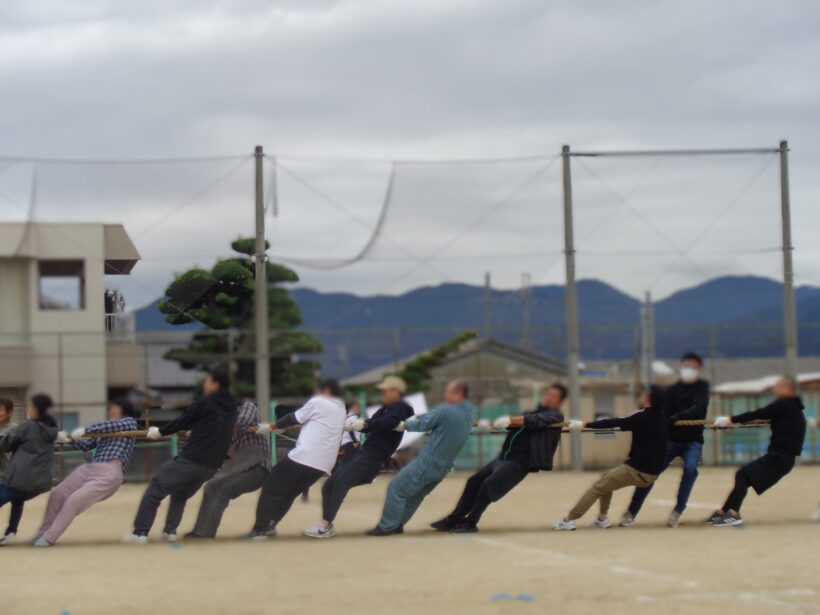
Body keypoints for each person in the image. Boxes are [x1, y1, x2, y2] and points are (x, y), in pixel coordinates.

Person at [431, 383, 567, 534]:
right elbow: (516, 423)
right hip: (504, 457)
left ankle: (471, 522)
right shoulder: (530, 411)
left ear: (560, 400)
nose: (549, 397)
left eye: (554, 395)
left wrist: (511, 420)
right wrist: (492, 425)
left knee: (489, 485)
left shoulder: (556, 416)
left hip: (521, 461)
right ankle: (454, 519)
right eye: (549, 393)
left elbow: (534, 420)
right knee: (474, 481)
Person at [124, 368, 237, 544]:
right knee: (180, 494)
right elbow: (209, 425)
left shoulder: (205, 402)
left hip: (193, 459)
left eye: (208, 381)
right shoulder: (232, 408)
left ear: (215, 385)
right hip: (212, 465)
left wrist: (159, 431)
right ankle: (169, 531)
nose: (205, 384)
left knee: (155, 488)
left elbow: (183, 420)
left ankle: (140, 533)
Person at [304, 376, 414, 539]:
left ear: (396, 391)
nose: (383, 393)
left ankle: (325, 525)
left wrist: (365, 424)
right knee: (329, 484)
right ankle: (327, 524)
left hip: (374, 457)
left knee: (340, 482)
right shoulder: (386, 408)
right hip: (365, 453)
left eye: (386, 390)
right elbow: (372, 424)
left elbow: (388, 422)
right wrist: (353, 425)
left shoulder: (401, 407)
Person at [367, 379, 476, 537]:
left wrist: (403, 425)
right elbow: (432, 418)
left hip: (429, 461)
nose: (445, 394)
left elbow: (423, 424)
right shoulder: (470, 411)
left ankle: (387, 526)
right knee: (416, 495)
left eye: (448, 391)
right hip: (445, 466)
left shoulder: (446, 410)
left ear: (458, 394)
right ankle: (397, 524)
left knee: (396, 488)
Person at [554, 386, 668, 531]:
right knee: (606, 479)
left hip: (637, 470)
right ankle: (602, 519)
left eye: (645, 393)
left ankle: (568, 520)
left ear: (648, 398)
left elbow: (614, 422)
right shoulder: (662, 417)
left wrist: (585, 424)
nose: (642, 395)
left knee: (596, 488)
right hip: (652, 473)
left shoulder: (642, 415)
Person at [33, 398, 139, 547]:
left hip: (109, 472)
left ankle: (49, 537)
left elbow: (109, 426)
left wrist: (85, 429)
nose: (111, 410)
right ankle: (41, 533)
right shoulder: (106, 429)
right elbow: (87, 445)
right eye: (110, 408)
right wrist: (69, 439)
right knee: (57, 493)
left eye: (115, 408)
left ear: (124, 410)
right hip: (91, 467)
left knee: (74, 500)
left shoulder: (129, 423)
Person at [248, 379, 346, 540]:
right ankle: (270, 525)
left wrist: (269, 427)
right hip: (323, 464)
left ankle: (260, 529)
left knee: (271, 486)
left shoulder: (319, 401)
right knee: (290, 493)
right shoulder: (341, 408)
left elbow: (292, 418)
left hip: (304, 457)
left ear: (327, 390)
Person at [622, 352, 709, 528]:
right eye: (686, 366)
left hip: (692, 441)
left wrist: (678, 416)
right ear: (681, 367)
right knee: (650, 473)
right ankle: (631, 512)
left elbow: (699, 407)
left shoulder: (702, 387)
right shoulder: (672, 390)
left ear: (699, 370)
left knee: (690, 469)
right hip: (670, 440)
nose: (689, 370)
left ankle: (678, 510)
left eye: (693, 367)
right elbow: (663, 410)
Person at [708, 376, 806, 527]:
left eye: (778, 386)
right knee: (744, 478)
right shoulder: (793, 407)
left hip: (779, 458)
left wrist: (729, 419)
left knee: (742, 474)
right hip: (782, 458)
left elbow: (757, 413)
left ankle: (733, 514)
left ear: (787, 389)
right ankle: (723, 513)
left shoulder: (784, 405)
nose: (774, 389)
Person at [185, 400, 271, 539]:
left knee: (220, 489)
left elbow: (241, 422)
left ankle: (204, 533)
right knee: (211, 486)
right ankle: (201, 531)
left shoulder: (246, 406)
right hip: (241, 468)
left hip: (258, 468)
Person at [0, 394, 61, 546]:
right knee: (18, 499)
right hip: (38, 484)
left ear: (38, 409)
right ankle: (10, 533)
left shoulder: (27, 426)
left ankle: (10, 533)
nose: (28, 408)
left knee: (13, 493)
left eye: (31, 406)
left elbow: (5, 445)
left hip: (18, 478)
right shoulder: (52, 429)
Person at [333, 400, 362, 473]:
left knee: (346, 461)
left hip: (347, 443)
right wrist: (355, 441)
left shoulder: (347, 417)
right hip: (351, 443)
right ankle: (339, 475)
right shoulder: (353, 417)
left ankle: (338, 475)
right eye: (358, 408)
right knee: (349, 462)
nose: (359, 410)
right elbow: (350, 429)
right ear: (353, 408)